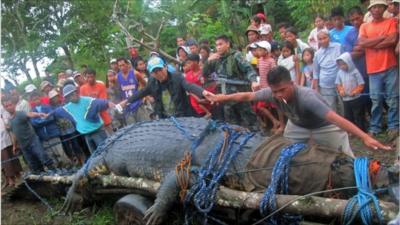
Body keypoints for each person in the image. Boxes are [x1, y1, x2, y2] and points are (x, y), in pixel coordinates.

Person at [204, 66, 391, 157]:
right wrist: (220, 98)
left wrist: (364, 136)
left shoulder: (307, 97)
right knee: (287, 154)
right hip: (297, 125)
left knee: (347, 158)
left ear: (292, 84)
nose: (278, 95)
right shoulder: (272, 93)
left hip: (324, 127)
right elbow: (246, 96)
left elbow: (336, 119)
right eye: (274, 91)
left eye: (282, 90)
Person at [119, 56, 210, 119]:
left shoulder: (176, 77)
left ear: (165, 67)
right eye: (155, 72)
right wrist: (127, 101)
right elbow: (141, 92)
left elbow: (189, 86)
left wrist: (204, 92)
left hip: (184, 115)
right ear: (151, 73)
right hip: (165, 118)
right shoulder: (152, 82)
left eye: (160, 70)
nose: (159, 74)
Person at [358, 0, 399, 139]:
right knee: (375, 99)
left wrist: (371, 44)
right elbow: (362, 42)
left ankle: (394, 126)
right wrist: (382, 38)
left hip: (389, 65)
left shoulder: (390, 22)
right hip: (373, 69)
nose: (376, 9)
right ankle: (375, 126)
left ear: (384, 8)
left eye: (379, 7)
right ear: (370, 10)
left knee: (392, 98)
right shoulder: (364, 26)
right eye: (374, 7)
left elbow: (392, 40)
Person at [202, 35, 259, 130]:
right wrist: (208, 61)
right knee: (232, 125)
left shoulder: (236, 55)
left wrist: (253, 81)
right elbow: (205, 74)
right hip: (225, 98)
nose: (218, 47)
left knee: (251, 122)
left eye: (221, 44)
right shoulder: (215, 58)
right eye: (217, 45)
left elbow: (249, 69)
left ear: (227, 44)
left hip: (240, 95)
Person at [50, 84, 116, 153]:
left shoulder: (88, 100)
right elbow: (57, 111)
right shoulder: (68, 107)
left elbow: (99, 102)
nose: (70, 98)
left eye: (71, 95)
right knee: (95, 155)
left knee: (106, 152)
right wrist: (47, 115)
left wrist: (108, 103)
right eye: (68, 97)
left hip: (97, 132)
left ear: (76, 93)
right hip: (86, 135)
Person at [2, 96, 55, 174]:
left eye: (10, 105)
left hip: (32, 140)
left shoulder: (20, 114)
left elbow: (30, 114)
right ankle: (41, 178)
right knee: (33, 164)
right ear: (4, 108)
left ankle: (55, 172)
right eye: (6, 106)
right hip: (23, 146)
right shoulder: (10, 121)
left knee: (43, 157)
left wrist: (40, 114)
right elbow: (14, 134)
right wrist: (14, 146)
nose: (9, 107)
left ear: (14, 104)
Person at [30, 92, 72, 167]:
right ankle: (59, 172)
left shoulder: (47, 107)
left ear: (40, 98)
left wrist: (40, 121)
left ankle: (70, 167)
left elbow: (52, 117)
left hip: (53, 134)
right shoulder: (32, 112)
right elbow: (34, 123)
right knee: (51, 156)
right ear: (32, 101)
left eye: (37, 98)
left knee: (60, 153)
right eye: (34, 100)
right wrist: (45, 119)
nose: (36, 101)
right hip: (43, 137)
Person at [48, 89, 86, 165]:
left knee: (75, 144)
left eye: (56, 97)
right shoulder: (51, 108)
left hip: (71, 128)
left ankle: (81, 159)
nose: (55, 99)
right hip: (61, 131)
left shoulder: (65, 103)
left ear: (58, 97)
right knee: (66, 147)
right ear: (51, 100)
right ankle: (73, 161)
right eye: (53, 98)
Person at [335, 52, 366, 131]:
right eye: (340, 65)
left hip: (356, 98)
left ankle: (361, 130)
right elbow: (338, 83)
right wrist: (341, 90)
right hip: (346, 99)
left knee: (358, 115)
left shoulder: (355, 72)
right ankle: (351, 130)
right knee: (348, 116)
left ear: (349, 62)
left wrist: (356, 91)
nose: (342, 66)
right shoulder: (339, 73)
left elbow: (361, 83)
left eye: (344, 64)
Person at [313, 30, 343, 112]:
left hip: (340, 81)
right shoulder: (317, 54)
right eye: (320, 39)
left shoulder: (338, 47)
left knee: (344, 104)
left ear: (329, 37)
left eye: (324, 38)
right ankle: (335, 124)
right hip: (325, 84)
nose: (322, 41)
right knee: (330, 106)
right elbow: (316, 72)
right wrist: (316, 88)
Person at [116, 58, 151, 124]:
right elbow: (118, 91)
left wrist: (145, 96)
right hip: (127, 107)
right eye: (120, 66)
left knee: (146, 125)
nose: (122, 67)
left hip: (138, 104)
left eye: (123, 65)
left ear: (127, 64)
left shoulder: (135, 74)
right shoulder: (117, 77)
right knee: (133, 129)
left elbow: (145, 85)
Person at [79, 69, 113, 135]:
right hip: (92, 118)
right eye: (88, 77)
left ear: (95, 76)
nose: (90, 79)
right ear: (85, 77)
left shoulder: (101, 85)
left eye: (91, 77)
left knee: (112, 135)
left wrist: (93, 106)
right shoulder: (82, 88)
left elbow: (103, 101)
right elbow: (83, 104)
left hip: (103, 114)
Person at [0, 100, 22, 188]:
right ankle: (11, 179)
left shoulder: (2, 109)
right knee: (6, 161)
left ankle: (19, 176)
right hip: (1, 144)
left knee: (13, 157)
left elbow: (8, 119)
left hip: (8, 138)